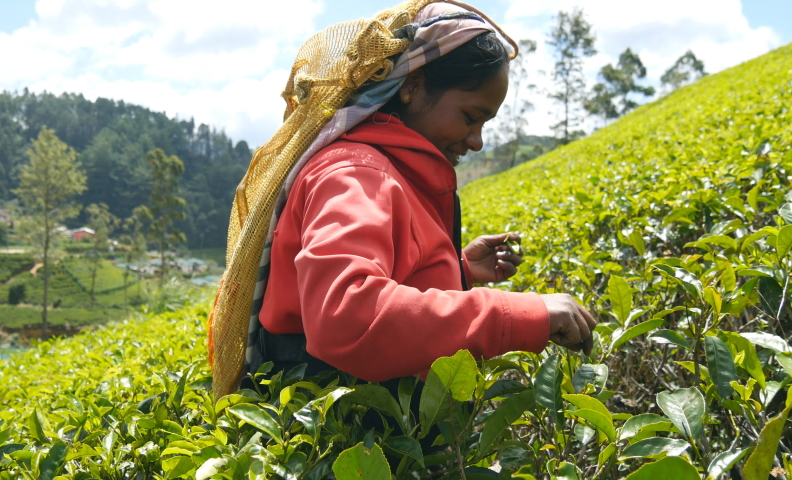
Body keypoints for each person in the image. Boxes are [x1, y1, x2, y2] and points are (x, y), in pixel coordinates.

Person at [210, 0, 596, 397]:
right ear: (412, 86)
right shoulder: (356, 173)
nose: (477, 141)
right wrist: (520, 314)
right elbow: (347, 316)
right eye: (469, 117)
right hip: (348, 445)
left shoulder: (387, 170)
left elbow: (380, 281)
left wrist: (460, 271)